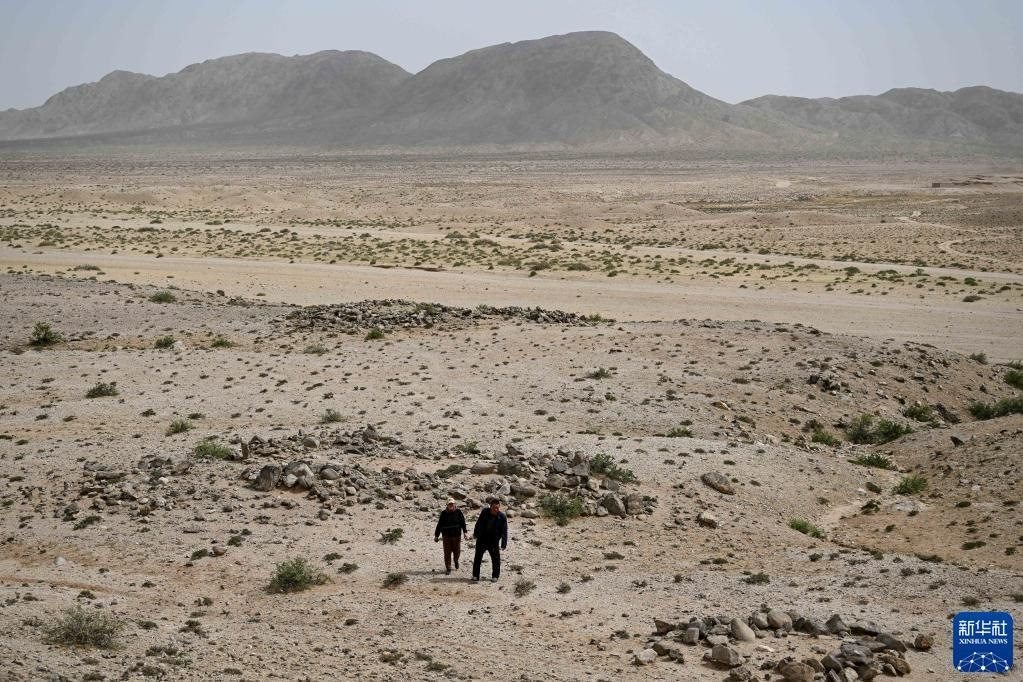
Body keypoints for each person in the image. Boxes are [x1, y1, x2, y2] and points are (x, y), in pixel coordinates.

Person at [471, 498, 508, 582]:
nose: (496, 510)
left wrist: (504, 543)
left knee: (496, 559)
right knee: (478, 557)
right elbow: (478, 523)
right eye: (494, 508)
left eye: (497, 508)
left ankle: (495, 576)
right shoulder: (485, 512)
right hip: (482, 539)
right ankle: (475, 575)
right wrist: (475, 533)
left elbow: (504, 531)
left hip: (493, 541)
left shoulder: (502, 517)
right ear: (490, 507)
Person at [434, 498, 468, 575]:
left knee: (457, 551)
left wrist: (465, 532)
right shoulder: (443, 513)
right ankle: (448, 568)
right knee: (447, 553)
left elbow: (463, 522)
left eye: (452, 504)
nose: (451, 505)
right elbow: (439, 525)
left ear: (455, 504)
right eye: (449, 504)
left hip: (457, 536)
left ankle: (456, 560)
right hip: (446, 536)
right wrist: (436, 535)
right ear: (447, 505)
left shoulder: (458, 512)